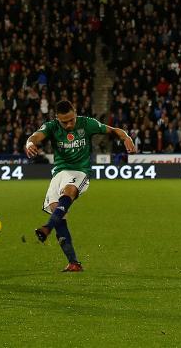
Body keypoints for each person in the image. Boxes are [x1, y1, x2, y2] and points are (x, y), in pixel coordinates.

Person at [24, 99, 136, 271]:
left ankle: (47, 226)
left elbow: (113, 131)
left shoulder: (87, 123)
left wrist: (126, 137)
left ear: (75, 113)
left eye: (71, 120)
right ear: (57, 118)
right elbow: (34, 137)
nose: (69, 124)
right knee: (58, 213)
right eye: (64, 122)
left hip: (80, 171)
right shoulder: (52, 126)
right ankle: (73, 263)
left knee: (68, 193)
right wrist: (30, 144)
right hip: (59, 173)